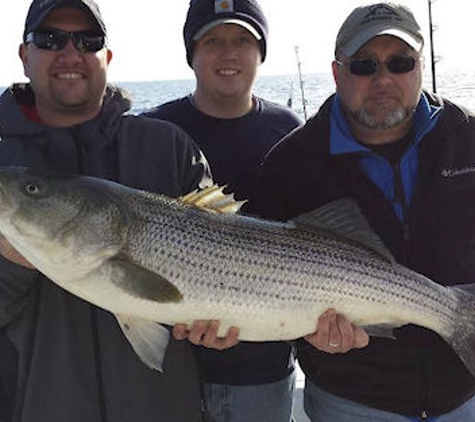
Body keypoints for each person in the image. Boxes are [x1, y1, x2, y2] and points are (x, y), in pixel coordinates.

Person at [0, 1, 239, 421]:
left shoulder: (167, 147)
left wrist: (219, 326)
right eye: (50, 39)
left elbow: (231, 256)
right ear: (24, 56)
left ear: (107, 58)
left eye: (89, 41)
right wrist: (11, 264)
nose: (71, 54)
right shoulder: (6, 178)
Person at [253, 2, 475, 422]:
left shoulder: (467, 137)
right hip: (352, 403)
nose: (383, 79)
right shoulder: (292, 163)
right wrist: (310, 335)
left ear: (420, 68)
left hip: (462, 395)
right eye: (364, 65)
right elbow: (264, 284)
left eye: (400, 62)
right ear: (337, 73)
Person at [144, 1, 302, 421]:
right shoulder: (153, 131)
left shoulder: (289, 130)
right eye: (212, 41)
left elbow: (309, 237)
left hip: (261, 372)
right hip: (168, 369)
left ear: (260, 52)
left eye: (243, 40)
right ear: (191, 54)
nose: (228, 53)